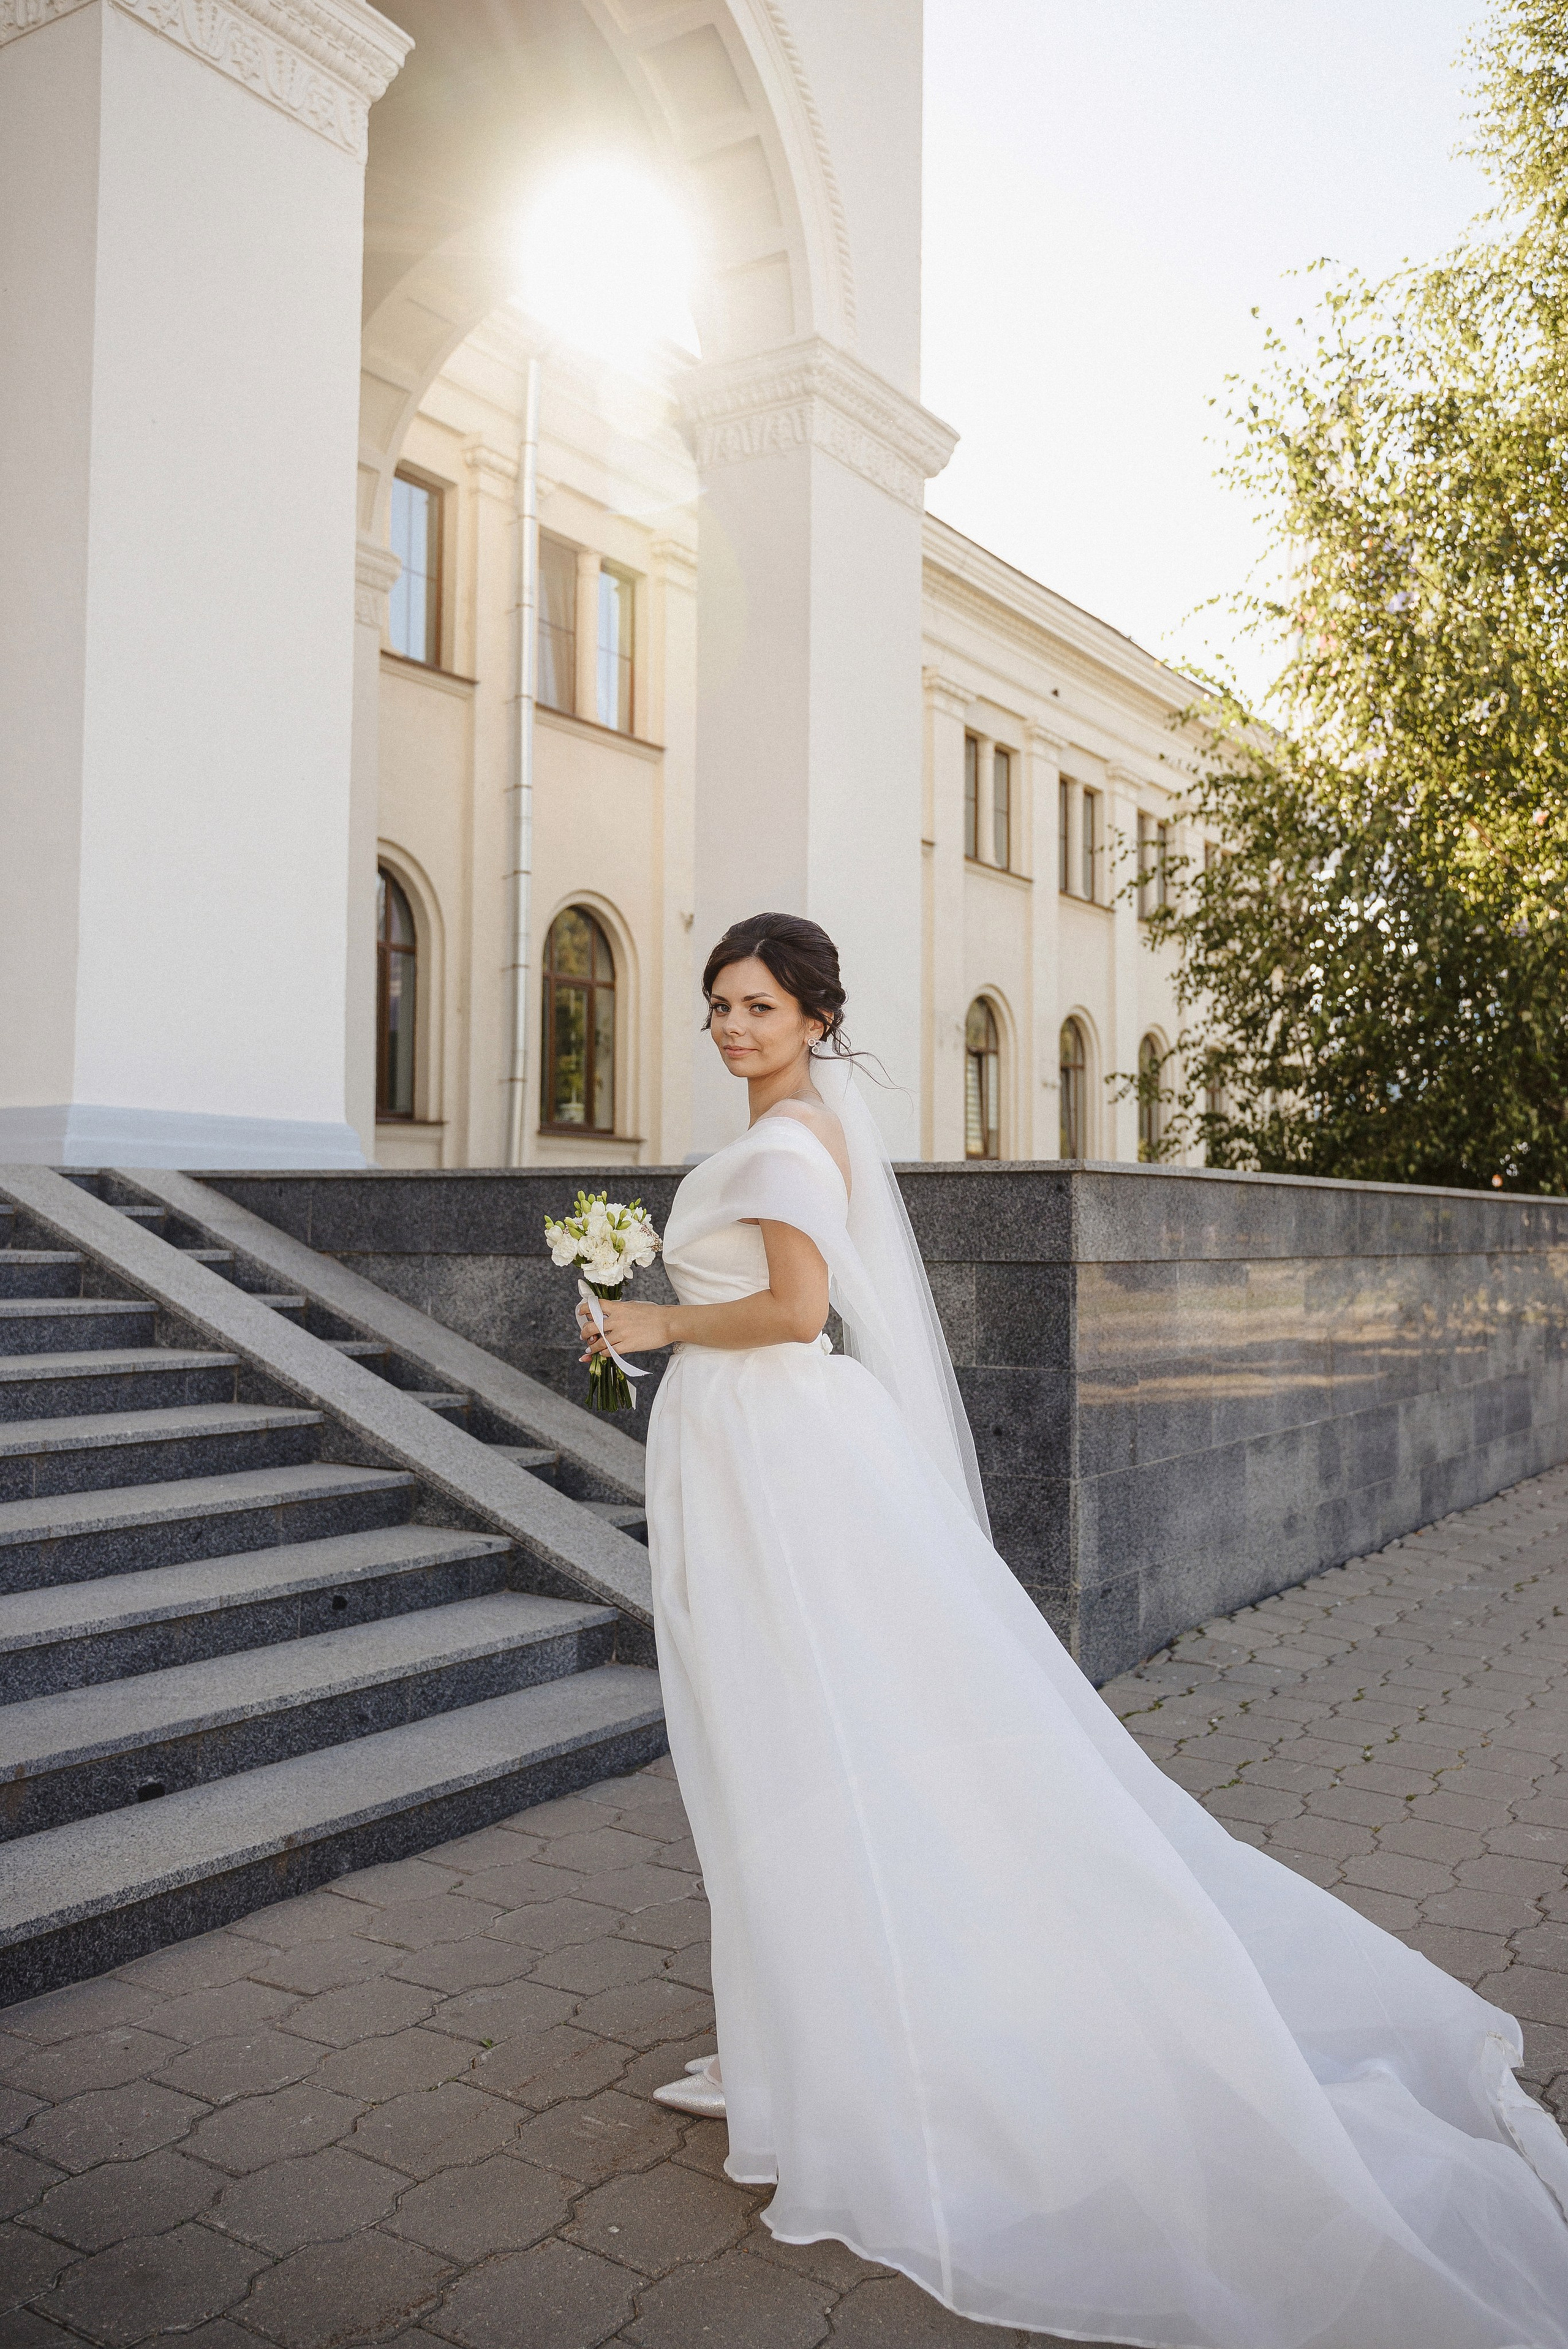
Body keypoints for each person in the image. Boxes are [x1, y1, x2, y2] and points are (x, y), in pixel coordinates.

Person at [576, 911, 1568, 2348]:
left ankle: (835, 2055)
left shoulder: (791, 1142)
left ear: (811, 1020)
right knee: (764, 1740)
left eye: (758, 1006)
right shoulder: (779, 1131)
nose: (730, 1025)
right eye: (718, 1003)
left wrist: (655, 1327)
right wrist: (649, 1321)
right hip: (746, 1451)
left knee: (798, 1734)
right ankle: (790, 2034)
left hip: (775, 1454)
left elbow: (794, 1310)